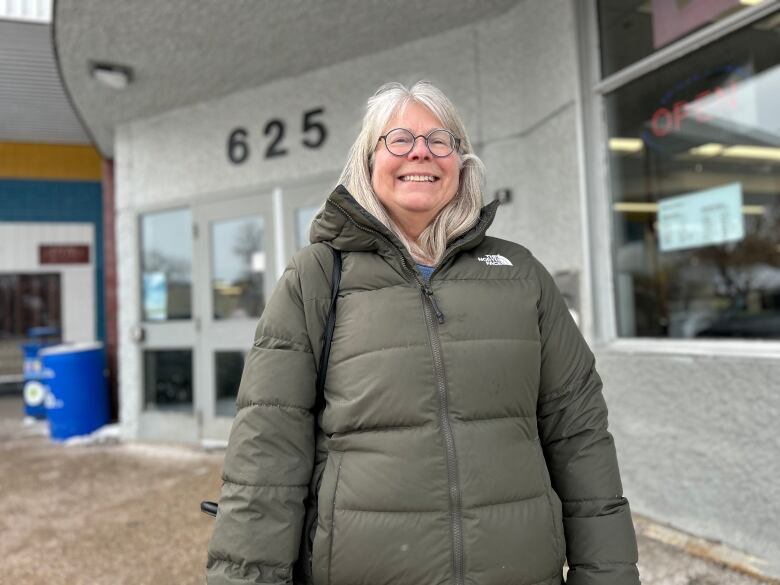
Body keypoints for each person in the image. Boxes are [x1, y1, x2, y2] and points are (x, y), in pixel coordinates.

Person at [206, 81, 640, 585]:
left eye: (440, 140)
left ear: (460, 161)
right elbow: (266, 455)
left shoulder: (519, 274)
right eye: (398, 139)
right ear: (369, 161)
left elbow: (580, 438)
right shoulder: (318, 277)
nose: (421, 152)